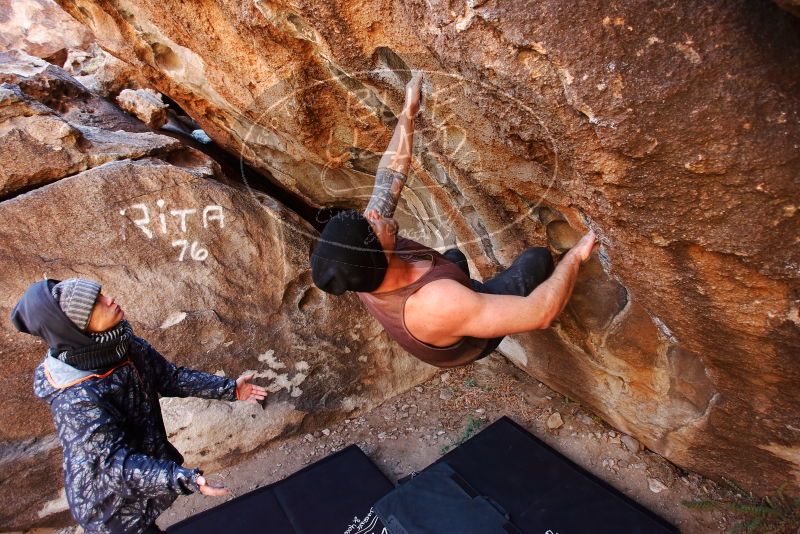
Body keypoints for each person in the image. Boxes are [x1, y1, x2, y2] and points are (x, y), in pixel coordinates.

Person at [310, 72, 597, 368]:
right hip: (470, 337)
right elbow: (541, 313)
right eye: (369, 224)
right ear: (379, 255)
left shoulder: (363, 267)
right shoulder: (437, 302)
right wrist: (574, 258)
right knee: (537, 259)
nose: (373, 214)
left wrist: (408, 111)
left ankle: (470, 296)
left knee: (455, 256)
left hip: (446, 299)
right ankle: (485, 309)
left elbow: (391, 174)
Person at [10, 278, 267, 534]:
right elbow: (114, 467)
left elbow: (168, 377)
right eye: (95, 304)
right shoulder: (75, 397)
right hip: (109, 507)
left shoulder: (121, 343)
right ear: (75, 329)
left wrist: (231, 389)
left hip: (139, 478)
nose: (109, 300)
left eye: (101, 294)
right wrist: (183, 479)